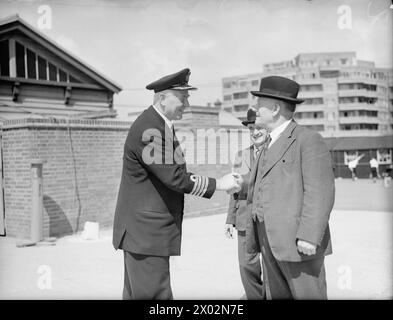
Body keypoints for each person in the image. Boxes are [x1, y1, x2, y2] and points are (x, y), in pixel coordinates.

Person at [112, 68, 241, 300]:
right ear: (163, 99)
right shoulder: (149, 130)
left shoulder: (159, 125)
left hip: (144, 235)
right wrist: (219, 184)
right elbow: (174, 177)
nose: (187, 103)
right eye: (182, 98)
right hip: (146, 236)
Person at [245, 76, 335, 299]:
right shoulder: (268, 142)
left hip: (298, 244)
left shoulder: (308, 139)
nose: (255, 109)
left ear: (275, 109)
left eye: (260, 104)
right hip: (268, 241)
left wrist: (309, 236)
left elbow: (320, 191)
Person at [224, 108, 268, 300]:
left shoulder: (274, 153)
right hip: (244, 218)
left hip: (267, 218)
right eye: (251, 128)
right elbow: (234, 189)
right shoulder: (241, 156)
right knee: (246, 264)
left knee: (270, 264)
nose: (255, 132)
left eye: (259, 127)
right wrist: (229, 219)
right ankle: (255, 296)